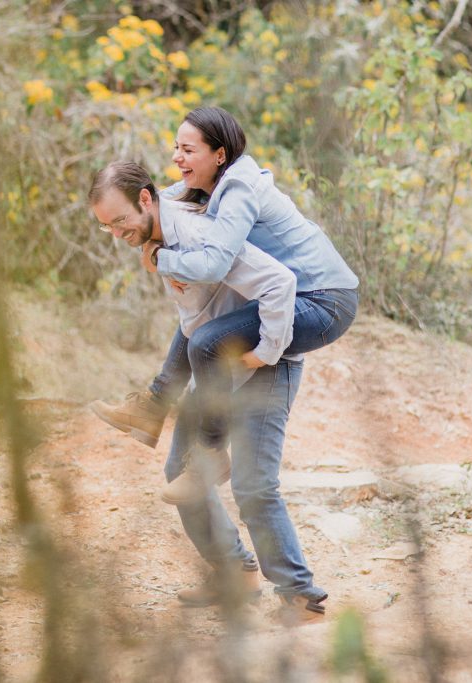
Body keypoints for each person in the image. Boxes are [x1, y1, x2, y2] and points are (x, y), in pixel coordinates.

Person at [89, 161, 329, 623]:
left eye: (120, 220)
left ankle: (301, 596)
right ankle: (234, 575)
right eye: (106, 226)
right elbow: (197, 324)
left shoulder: (195, 232)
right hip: (217, 367)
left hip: (264, 361)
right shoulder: (164, 236)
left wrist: (268, 353)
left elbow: (279, 283)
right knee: (181, 471)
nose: (117, 233)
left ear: (144, 200)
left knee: (254, 485)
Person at [91, 107, 358, 506]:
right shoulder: (208, 186)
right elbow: (161, 201)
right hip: (296, 293)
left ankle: (211, 453)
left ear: (219, 154)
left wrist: (162, 259)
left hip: (323, 299)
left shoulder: (237, 190)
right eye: (175, 148)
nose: (176, 158)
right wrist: (146, 233)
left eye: (187, 149)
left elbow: (215, 263)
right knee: (198, 329)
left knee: (208, 343)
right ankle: (154, 405)